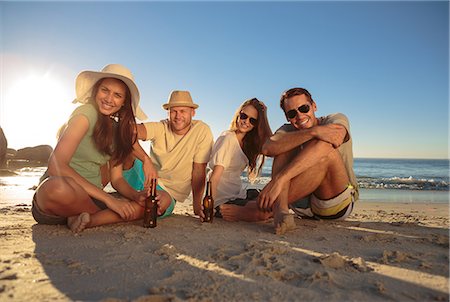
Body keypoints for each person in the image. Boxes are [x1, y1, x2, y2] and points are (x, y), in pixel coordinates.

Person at [32, 64, 164, 233]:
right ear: (96, 91)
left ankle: (86, 219)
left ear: (124, 102)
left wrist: (135, 196)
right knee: (55, 188)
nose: (109, 99)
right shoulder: (84, 114)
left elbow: (117, 180)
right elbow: (56, 165)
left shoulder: (118, 131)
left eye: (117, 95)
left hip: (94, 199)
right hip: (62, 198)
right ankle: (100, 215)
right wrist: (111, 201)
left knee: (163, 200)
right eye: (105, 90)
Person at [258, 87, 359, 234]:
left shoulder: (336, 118)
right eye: (292, 113)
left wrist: (279, 179)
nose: (299, 116)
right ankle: (280, 210)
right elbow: (268, 148)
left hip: (332, 202)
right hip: (300, 205)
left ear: (314, 106)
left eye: (304, 108)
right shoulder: (287, 129)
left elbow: (336, 138)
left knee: (325, 147)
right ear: (287, 117)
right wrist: (314, 131)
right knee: (282, 144)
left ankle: (265, 211)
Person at [134, 90, 214, 220]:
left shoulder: (202, 131)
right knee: (116, 142)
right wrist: (145, 160)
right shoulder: (161, 127)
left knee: (147, 210)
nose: (178, 116)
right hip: (145, 177)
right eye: (173, 111)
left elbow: (199, 170)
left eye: (183, 111)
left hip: (167, 192)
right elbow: (128, 131)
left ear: (192, 113)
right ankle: (96, 189)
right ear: (168, 113)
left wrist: (196, 205)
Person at [207, 98, 272, 221]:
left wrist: (264, 116)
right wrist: (210, 206)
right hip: (223, 200)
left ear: (256, 125)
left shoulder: (248, 143)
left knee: (272, 200)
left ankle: (248, 212)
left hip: (238, 194)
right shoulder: (228, 138)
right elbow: (214, 177)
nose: (246, 122)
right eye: (244, 116)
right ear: (238, 115)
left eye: (252, 120)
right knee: (265, 210)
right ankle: (246, 213)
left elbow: (273, 146)